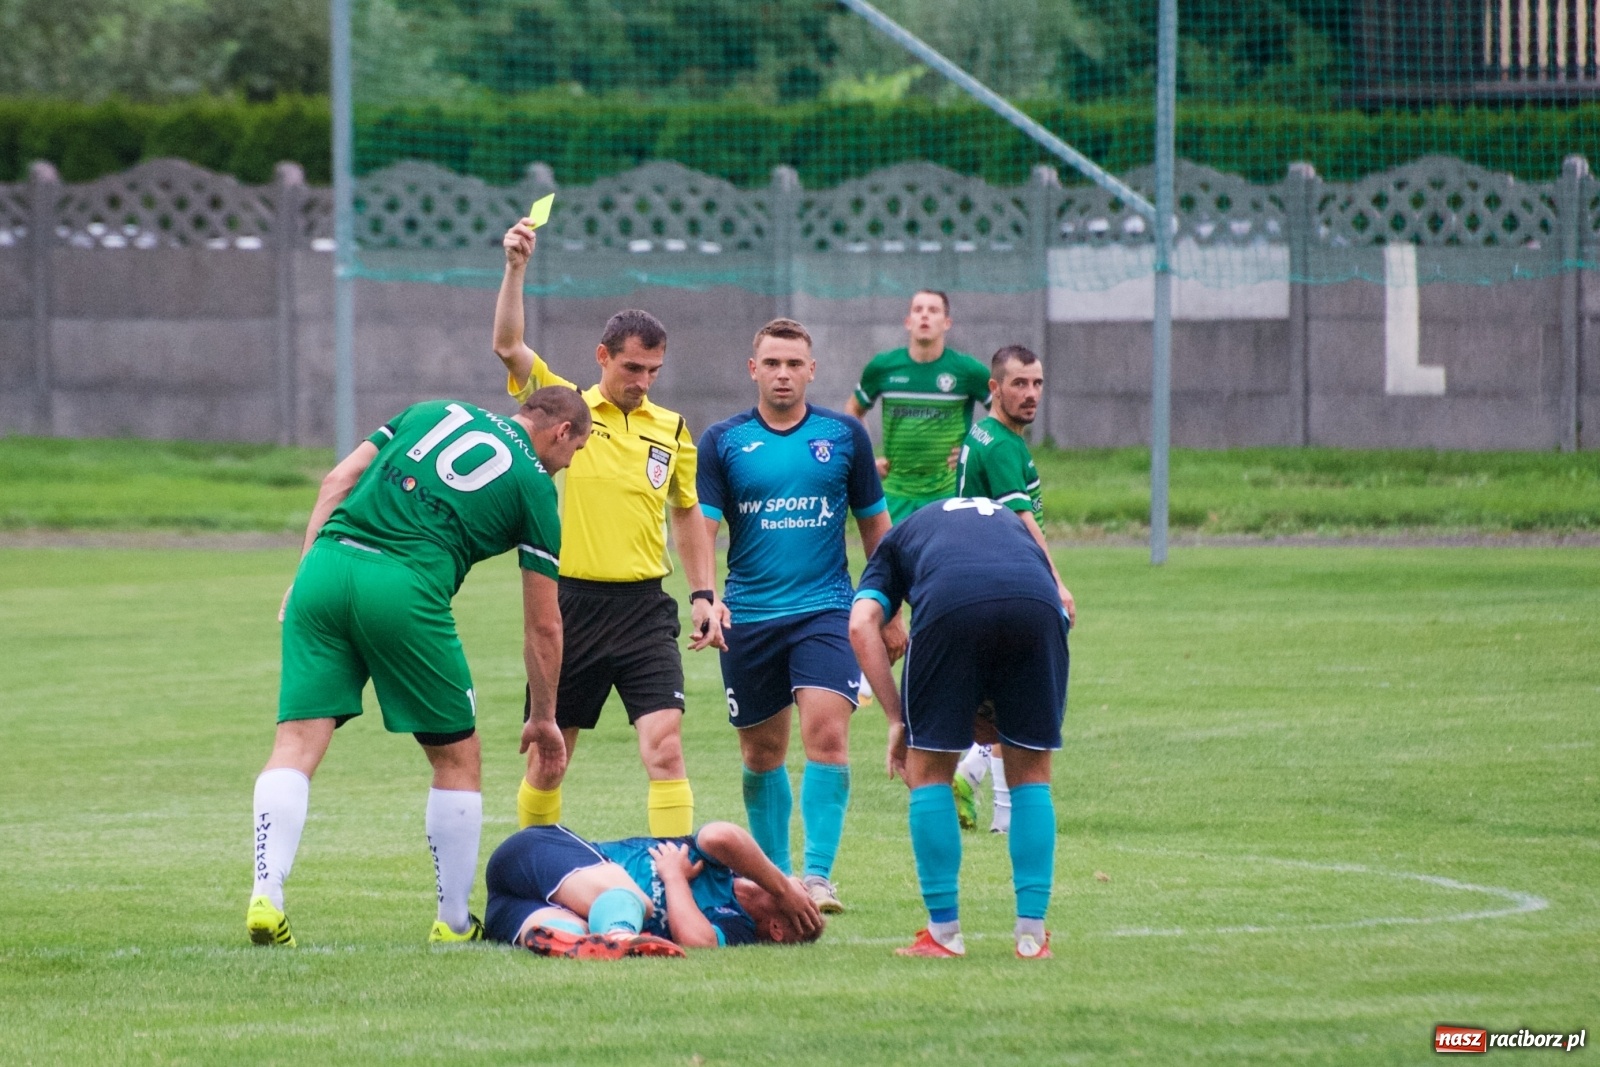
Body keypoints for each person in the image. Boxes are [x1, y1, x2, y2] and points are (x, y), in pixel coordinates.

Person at [247, 387, 589, 947]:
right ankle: (454, 922)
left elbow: (338, 481)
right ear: (561, 432)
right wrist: (544, 715)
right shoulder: (535, 486)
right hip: (404, 587)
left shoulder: (433, 411)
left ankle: (266, 894)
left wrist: (304, 574)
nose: (567, 466)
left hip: (326, 567)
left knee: (296, 743)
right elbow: (544, 625)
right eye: (573, 453)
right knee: (458, 756)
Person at [495, 219, 723, 837]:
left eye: (652, 369)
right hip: (570, 605)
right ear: (602, 357)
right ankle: (532, 869)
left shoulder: (672, 428)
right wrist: (516, 267)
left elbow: (686, 512)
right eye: (631, 367)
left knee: (666, 748)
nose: (642, 380)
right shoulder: (563, 407)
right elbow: (508, 345)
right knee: (550, 756)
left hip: (645, 606)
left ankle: (677, 883)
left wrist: (705, 596)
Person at [696, 318, 899, 914]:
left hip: (827, 611)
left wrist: (887, 608)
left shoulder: (844, 436)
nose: (783, 374)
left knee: (828, 737)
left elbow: (874, 526)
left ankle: (817, 877)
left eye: (794, 364)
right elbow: (702, 527)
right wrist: (706, 596)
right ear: (752, 370)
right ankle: (776, 879)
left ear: (812, 370)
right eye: (772, 364)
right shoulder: (723, 440)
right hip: (750, 618)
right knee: (762, 755)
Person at [848, 496, 1074, 960]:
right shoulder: (1009, 523)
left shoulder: (894, 545)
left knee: (928, 772)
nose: (984, 740)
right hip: (1039, 602)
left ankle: (944, 935)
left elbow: (859, 625)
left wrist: (898, 719)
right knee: (1032, 775)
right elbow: (1056, 606)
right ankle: (1032, 938)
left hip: (953, 602)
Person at [951, 345, 1075, 834]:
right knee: (1020, 696)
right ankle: (1003, 813)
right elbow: (1023, 520)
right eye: (1019, 384)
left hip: (980, 579)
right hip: (1005, 579)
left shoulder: (983, 433)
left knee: (997, 698)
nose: (1030, 394)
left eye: (1037, 383)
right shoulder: (1002, 444)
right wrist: (1056, 583)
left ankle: (975, 778)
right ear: (994, 388)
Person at [484, 821, 825, 956]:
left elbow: (698, 941)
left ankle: (567, 938)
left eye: (802, 898)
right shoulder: (725, 865)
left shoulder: (739, 929)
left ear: (777, 928)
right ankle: (618, 936)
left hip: (513, 909)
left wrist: (675, 877)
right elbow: (720, 835)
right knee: (636, 903)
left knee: (574, 931)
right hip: (537, 854)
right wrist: (782, 888)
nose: (796, 885)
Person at [843, 290, 990, 524]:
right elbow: (853, 411)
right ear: (908, 322)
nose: (925, 316)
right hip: (896, 491)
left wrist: (976, 453)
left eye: (933, 310)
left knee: (943, 560)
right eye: (918, 310)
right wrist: (866, 460)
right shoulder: (883, 367)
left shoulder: (968, 371)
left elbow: (1002, 412)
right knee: (895, 560)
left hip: (948, 490)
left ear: (947, 323)